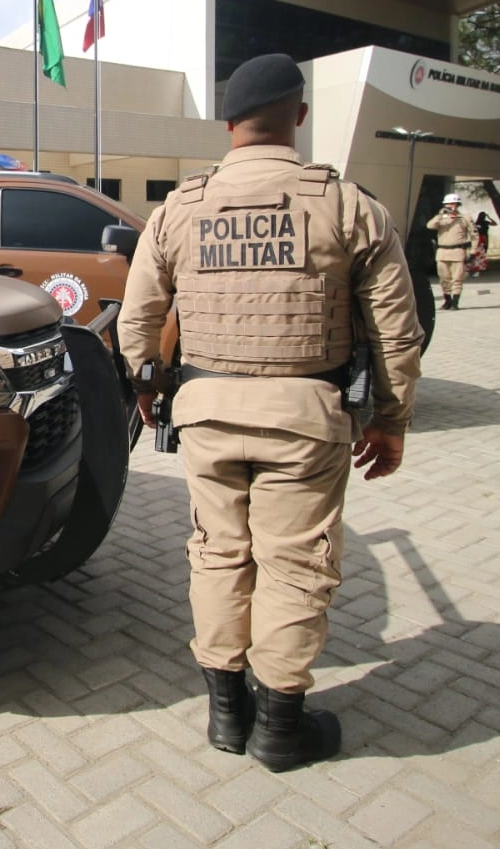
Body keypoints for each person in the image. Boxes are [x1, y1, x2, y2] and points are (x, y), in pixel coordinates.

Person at [118, 53, 423, 773]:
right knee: (293, 566)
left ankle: (227, 715)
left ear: (228, 125)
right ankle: (279, 728)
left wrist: (145, 387)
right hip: (305, 420)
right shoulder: (348, 206)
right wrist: (391, 418)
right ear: (300, 116)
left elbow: (138, 319)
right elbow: (395, 330)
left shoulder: (179, 208)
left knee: (217, 554)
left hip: (206, 417)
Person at [427, 195, 473, 308]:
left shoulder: (464, 218)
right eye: (448, 204)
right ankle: (447, 300)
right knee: (444, 278)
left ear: (458, 205)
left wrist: (473, 251)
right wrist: (441, 215)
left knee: (457, 278)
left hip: (457, 251)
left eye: (453, 204)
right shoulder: (441, 218)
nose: (450, 206)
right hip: (442, 252)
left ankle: (455, 302)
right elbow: (430, 225)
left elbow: (474, 234)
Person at [467, 211, 496, 278]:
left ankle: (476, 269)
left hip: (477, 239)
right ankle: (479, 268)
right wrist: (489, 218)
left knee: (476, 255)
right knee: (481, 254)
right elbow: (494, 223)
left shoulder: (476, 223)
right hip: (483, 238)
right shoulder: (485, 222)